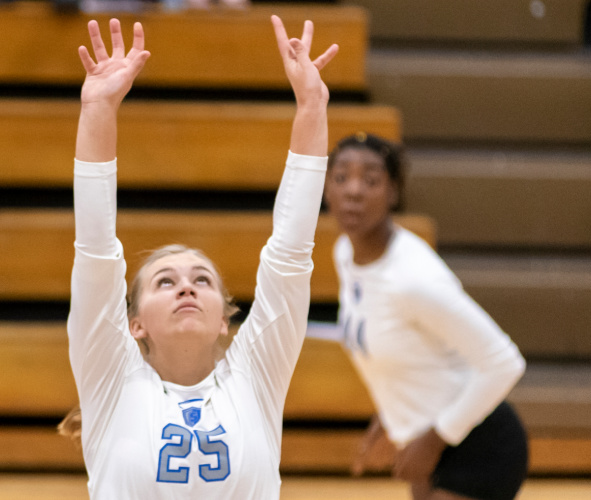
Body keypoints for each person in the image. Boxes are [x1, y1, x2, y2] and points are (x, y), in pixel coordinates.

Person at [61, 14, 338, 499]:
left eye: (202, 280)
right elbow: (96, 250)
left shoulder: (256, 372)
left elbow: (291, 253)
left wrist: (313, 105)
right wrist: (98, 111)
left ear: (226, 321)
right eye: (164, 281)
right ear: (134, 324)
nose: (186, 286)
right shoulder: (111, 375)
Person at [323, 133, 529, 500]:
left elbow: (504, 362)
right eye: (340, 178)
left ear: (393, 192)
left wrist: (433, 442)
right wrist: (390, 412)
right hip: (426, 443)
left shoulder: (414, 279)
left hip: (480, 447)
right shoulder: (344, 254)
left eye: (370, 180)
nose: (353, 190)